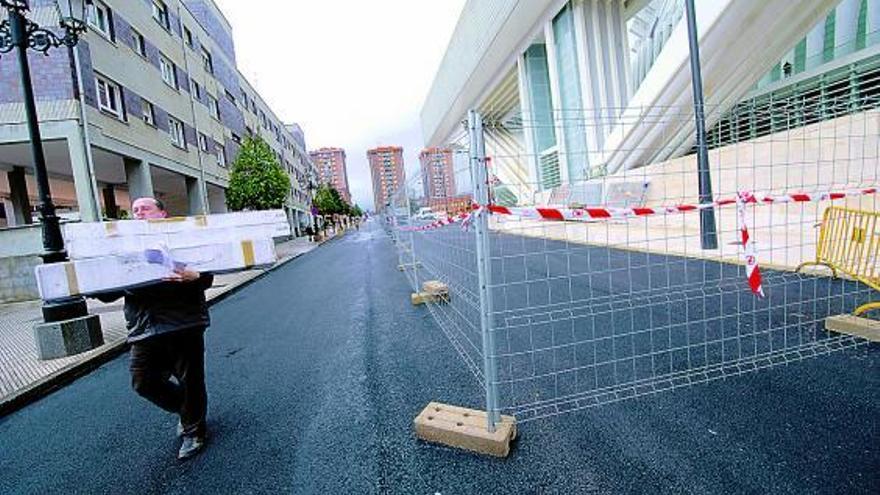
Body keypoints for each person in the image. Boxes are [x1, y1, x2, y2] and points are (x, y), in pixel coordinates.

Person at [96, 197, 214, 460]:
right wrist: (88, 279)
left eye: (145, 208)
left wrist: (195, 276)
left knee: (190, 377)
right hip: (144, 327)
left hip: (183, 322)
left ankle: (193, 430)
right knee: (143, 382)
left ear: (162, 213)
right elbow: (107, 294)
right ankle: (189, 408)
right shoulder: (123, 249)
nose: (139, 213)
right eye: (134, 210)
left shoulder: (181, 239)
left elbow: (207, 272)